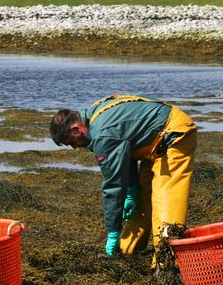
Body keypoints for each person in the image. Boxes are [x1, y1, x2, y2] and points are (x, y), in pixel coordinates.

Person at [49, 94, 197, 268]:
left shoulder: (103, 135)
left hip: (172, 134)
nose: (75, 147)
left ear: (75, 129)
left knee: (166, 199)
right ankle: (128, 253)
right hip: (153, 141)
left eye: (70, 142)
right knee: (142, 199)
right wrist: (132, 190)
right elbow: (126, 148)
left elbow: (113, 186)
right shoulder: (93, 114)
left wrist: (112, 231)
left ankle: (165, 265)